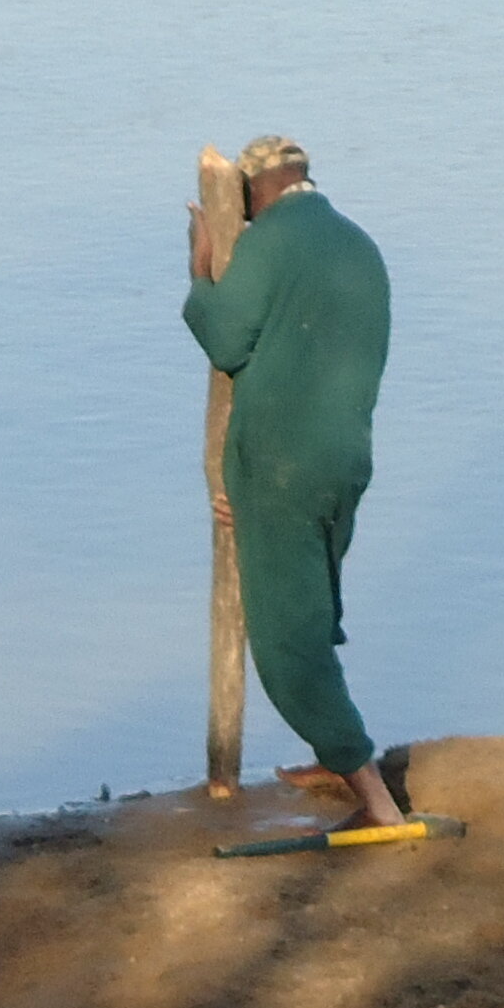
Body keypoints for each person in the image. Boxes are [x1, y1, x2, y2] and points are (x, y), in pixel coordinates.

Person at [184, 135, 403, 829]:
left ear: (255, 193)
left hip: (282, 466)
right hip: (345, 460)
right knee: (315, 601)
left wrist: (200, 272)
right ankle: (333, 754)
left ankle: (376, 800)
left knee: (287, 640)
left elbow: (225, 340)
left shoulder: (268, 244)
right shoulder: (361, 246)